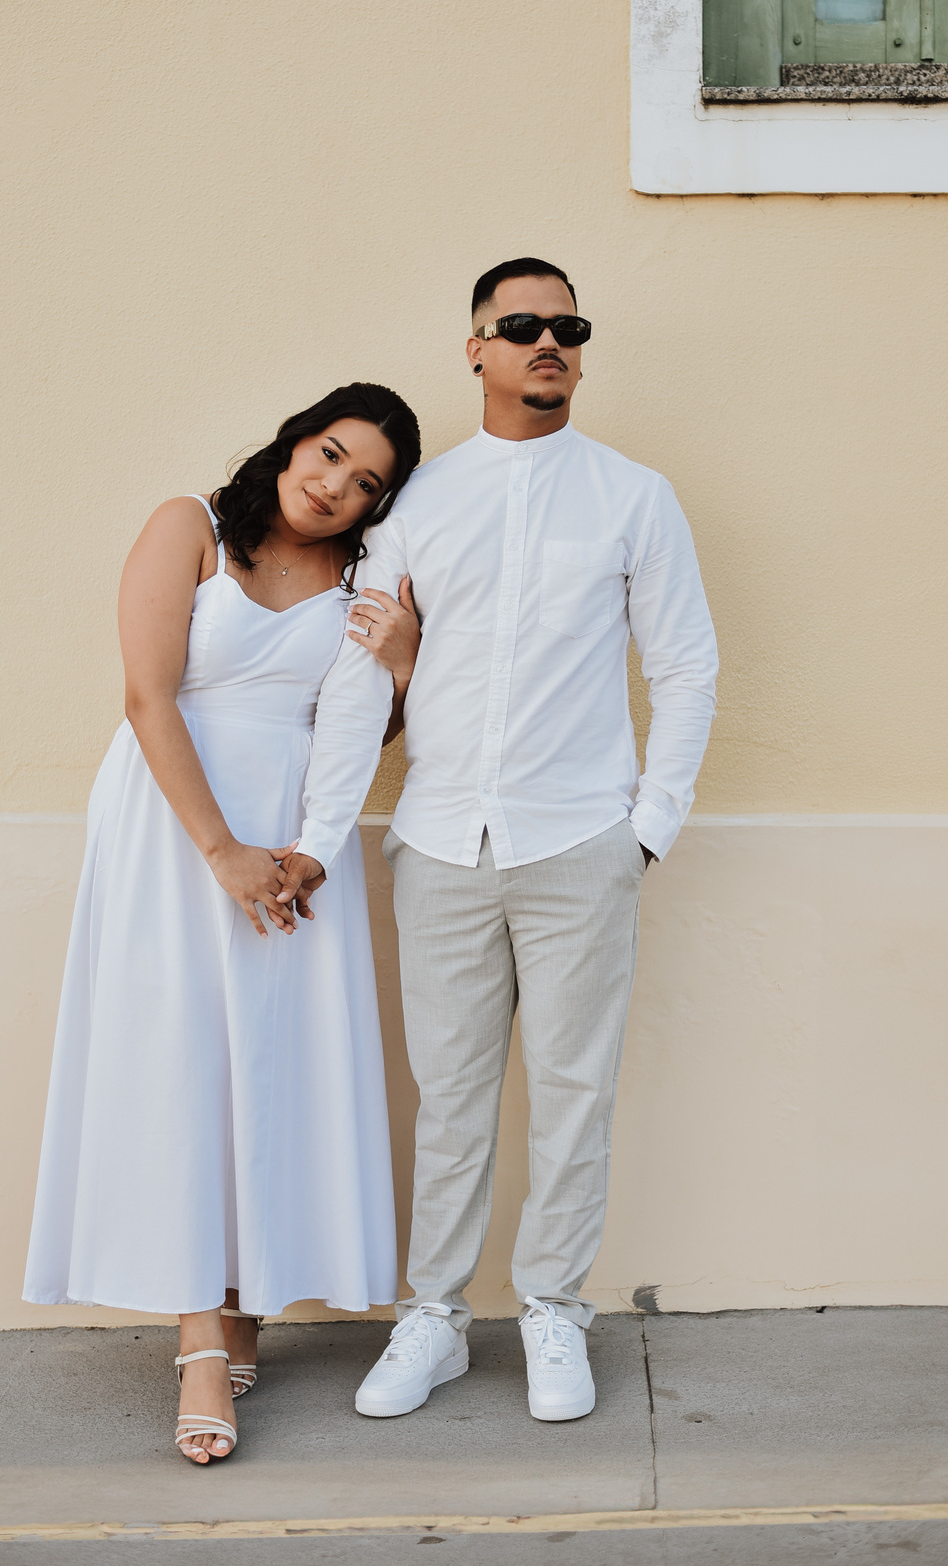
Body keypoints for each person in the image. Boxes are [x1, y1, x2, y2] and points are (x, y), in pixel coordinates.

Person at [279, 260, 718, 1425]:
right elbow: (360, 677)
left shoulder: (635, 496)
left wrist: (647, 830)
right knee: (452, 1096)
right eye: (521, 324)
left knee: (574, 1094)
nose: (548, 341)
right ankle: (434, 1317)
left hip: (582, 839)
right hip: (439, 843)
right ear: (476, 348)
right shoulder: (416, 503)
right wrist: (322, 835)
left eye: (567, 326)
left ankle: (554, 1311)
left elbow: (685, 665)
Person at [23, 382, 422, 1465]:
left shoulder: (363, 578)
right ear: (294, 442)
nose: (334, 486)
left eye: (365, 482)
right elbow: (148, 697)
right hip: (173, 827)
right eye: (329, 453)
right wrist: (221, 850)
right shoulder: (189, 526)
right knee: (181, 1061)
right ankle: (200, 1338)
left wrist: (400, 671)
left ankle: (243, 1297)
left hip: (293, 841)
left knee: (269, 1062)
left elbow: (357, 729)